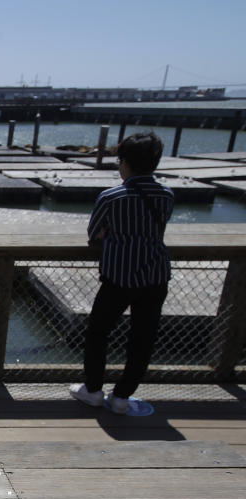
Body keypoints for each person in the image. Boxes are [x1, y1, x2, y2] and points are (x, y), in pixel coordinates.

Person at [69, 132, 173, 414]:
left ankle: (92, 390)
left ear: (124, 163)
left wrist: (109, 236)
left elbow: (94, 235)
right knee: (142, 339)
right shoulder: (166, 196)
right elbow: (157, 230)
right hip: (155, 277)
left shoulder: (111, 196)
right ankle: (122, 397)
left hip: (119, 278)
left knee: (98, 333)